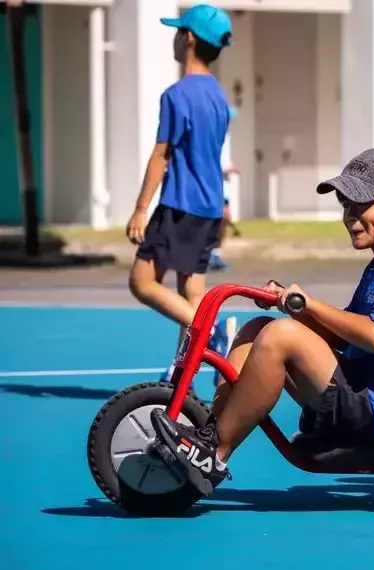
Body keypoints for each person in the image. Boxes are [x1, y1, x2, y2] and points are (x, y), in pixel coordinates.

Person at [149, 149, 374, 496]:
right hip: (361, 397)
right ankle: (210, 432)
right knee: (259, 328)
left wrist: (310, 305)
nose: (350, 215)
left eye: (361, 203)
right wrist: (293, 307)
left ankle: (215, 455)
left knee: (280, 336)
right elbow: (344, 337)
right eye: (345, 204)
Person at [125, 4, 237, 385]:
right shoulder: (219, 97)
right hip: (209, 208)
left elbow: (162, 154)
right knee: (191, 294)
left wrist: (141, 208)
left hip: (180, 206)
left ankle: (213, 333)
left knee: (142, 282)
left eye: (177, 32)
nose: (174, 38)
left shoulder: (177, 95)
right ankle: (179, 378)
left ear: (188, 38)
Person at [209, 106, 240, 271]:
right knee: (219, 218)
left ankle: (215, 253)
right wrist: (227, 168)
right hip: (214, 186)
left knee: (223, 219)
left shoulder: (225, 136)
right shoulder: (213, 137)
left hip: (223, 186)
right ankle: (209, 253)